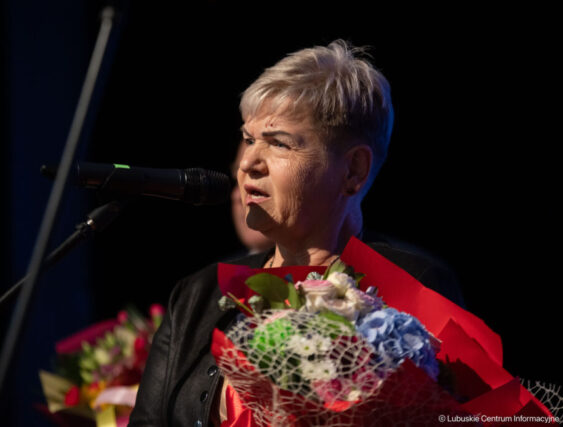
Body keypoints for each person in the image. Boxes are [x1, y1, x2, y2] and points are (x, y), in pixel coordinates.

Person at [129, 40, 464, 427]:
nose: (247, 162)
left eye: (278, 143)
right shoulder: (197, 296)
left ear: (353, 170)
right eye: (249, 139)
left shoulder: (414, 286)